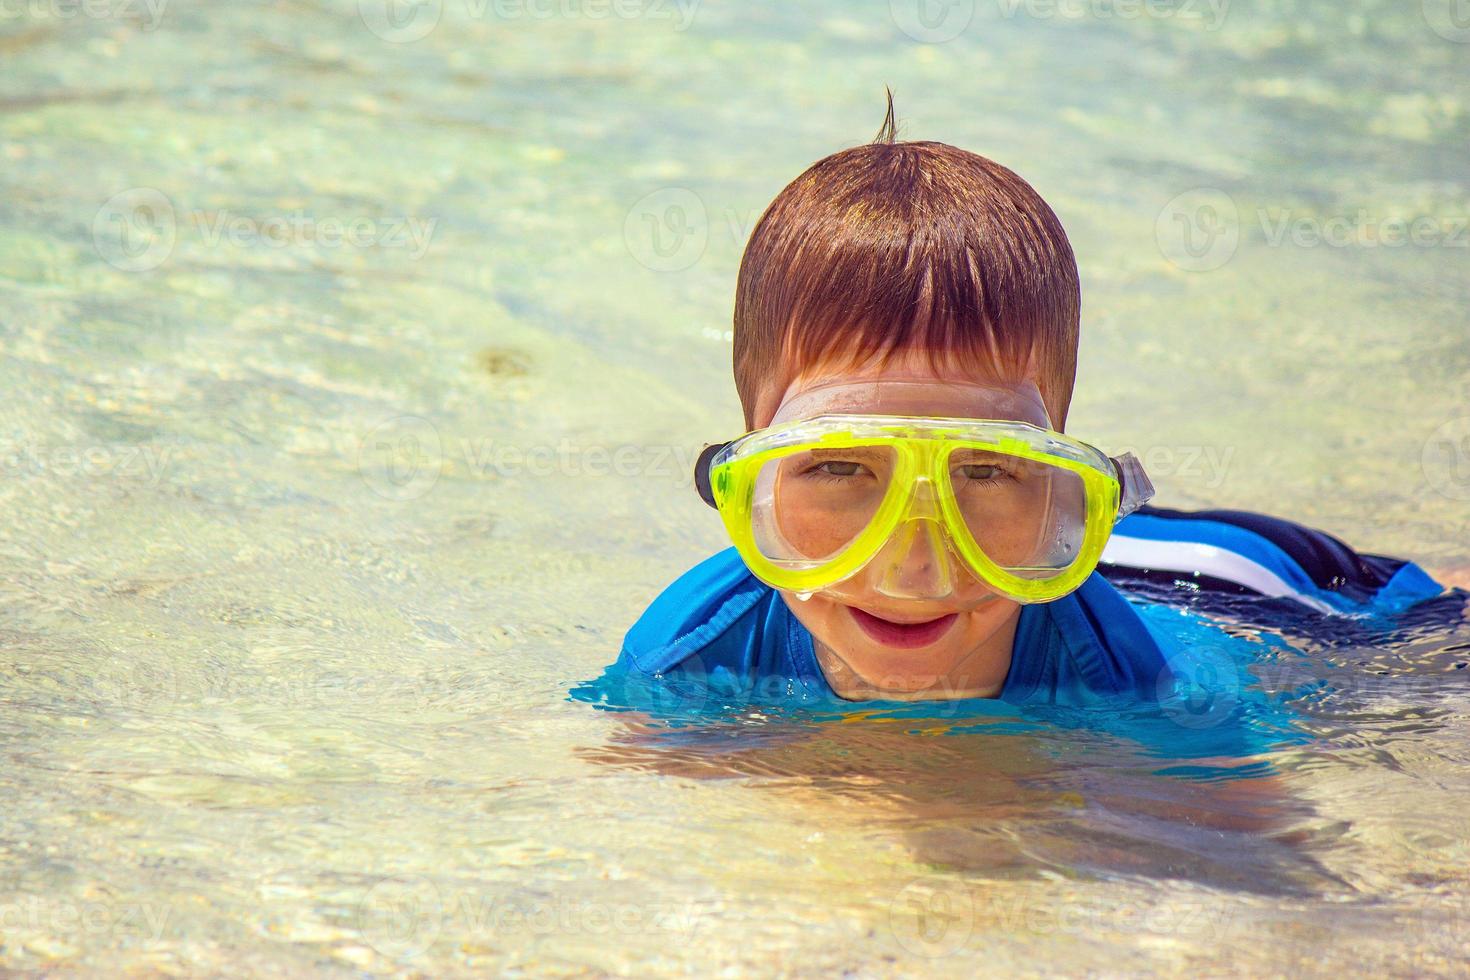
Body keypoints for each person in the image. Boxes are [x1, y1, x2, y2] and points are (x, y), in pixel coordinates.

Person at [590, 107, 1450, 715]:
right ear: (747, 482)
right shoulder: (685, 661)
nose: (913, 569)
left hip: (1201, 583)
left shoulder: (1143, 679)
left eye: (988, 467)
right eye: (842, 466)